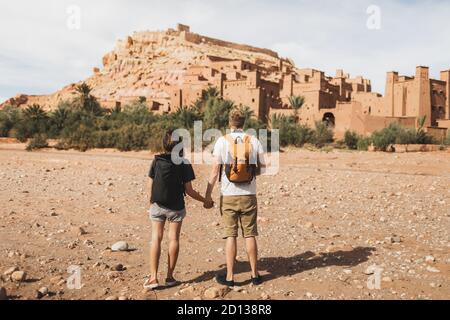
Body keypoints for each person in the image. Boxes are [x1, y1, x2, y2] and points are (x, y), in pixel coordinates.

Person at [144, 130, 214, 290]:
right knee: (173, 239)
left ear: (164, 144)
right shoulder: (184, 163)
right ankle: (169, 277)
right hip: (176, 207)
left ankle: (153, 277)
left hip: (157, 205)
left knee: (156, 238)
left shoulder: (156, 160)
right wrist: (206, 201)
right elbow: (189, 191)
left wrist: (152, 202)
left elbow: (150, 184)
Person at [205, 109, 266, 287]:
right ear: (244, 123)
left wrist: (208, 195)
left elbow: (215, 170)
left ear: (229, 123)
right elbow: (262, 168)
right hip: (249, 195)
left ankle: (230, 277)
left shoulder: (222, 141)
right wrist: (248, 174)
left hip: (228, 195)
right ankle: (255, 275)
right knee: (250, 235)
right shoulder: (253, 140)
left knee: (230, 236)